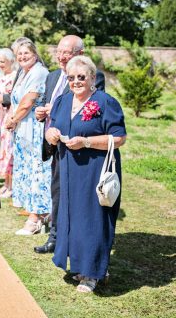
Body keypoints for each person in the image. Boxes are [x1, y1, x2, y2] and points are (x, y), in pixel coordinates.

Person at [45, 56, 126, 293]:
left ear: (92, 78)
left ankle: (93, 274)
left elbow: (119, 138)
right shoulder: (62, 101)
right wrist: (51, 134)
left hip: (94, 169)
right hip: (68, 170)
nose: (76, 81)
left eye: (82, 77)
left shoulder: (104, 102)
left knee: (92, 219)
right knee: (71, 218)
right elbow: (53, 126)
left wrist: (87, 142)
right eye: (71, 77)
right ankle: (78, 264)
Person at [34, 35, 106, 254]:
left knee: (77, 197)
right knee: (56, 192)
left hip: (79, 147)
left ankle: (77, 241)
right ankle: (54, 238)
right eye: (59, 51)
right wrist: (40, 112)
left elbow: (93, 108)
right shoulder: (52, 77)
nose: (61, 56)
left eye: (67, 52)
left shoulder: (94, 77)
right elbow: (46, 104)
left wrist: (54, 110)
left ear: (80, 55)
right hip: (55, 146)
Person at [4, 39, 51, 235]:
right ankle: (37, 212)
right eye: (19, 54)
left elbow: (28, 102)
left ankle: (36, 219)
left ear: (35, 53)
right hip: (22, 130)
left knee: (36, 172)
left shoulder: (39, 72)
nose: (22, 57)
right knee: (25, 170)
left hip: (33, 129)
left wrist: (13, 119)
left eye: (26, 53)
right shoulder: (24, 73)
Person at [0, 48, 18, 198]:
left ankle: (11, 185)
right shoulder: (1, 76)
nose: (0, 64)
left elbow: (13, 96)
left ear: (10, 61)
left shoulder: (14, 76)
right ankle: (7, 183)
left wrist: (1, 98)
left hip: (9, 115)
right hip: (0, 116)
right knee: (4, 149)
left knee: (10, 150)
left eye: (3, 61)